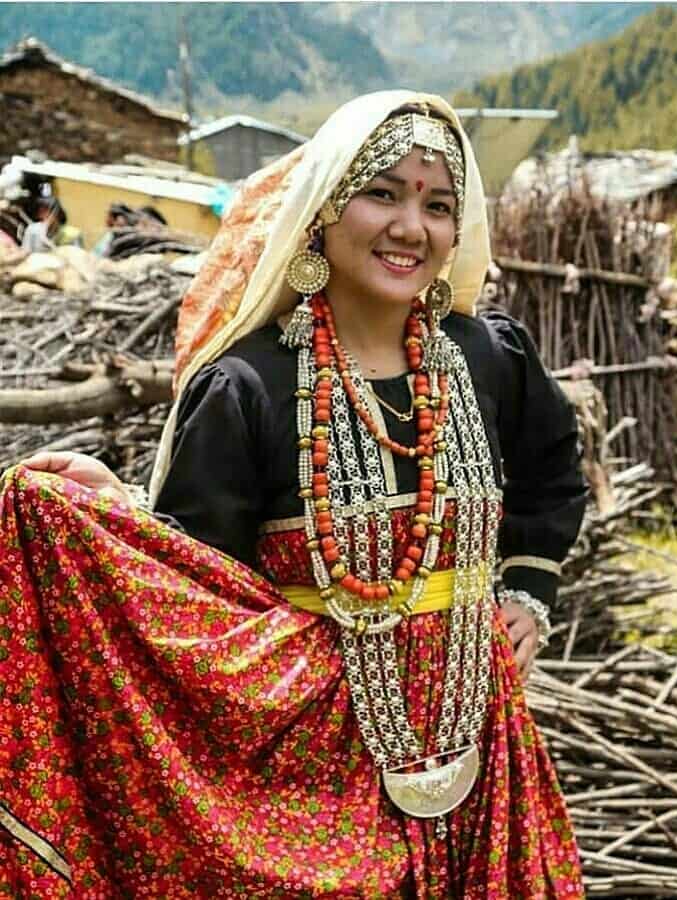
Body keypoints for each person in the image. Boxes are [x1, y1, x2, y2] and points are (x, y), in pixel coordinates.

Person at [0, 90, 587, 898]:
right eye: (382, 193)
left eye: (438, 204)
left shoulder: (488, 357)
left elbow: (554, 468)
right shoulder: (248, 387)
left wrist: (527, 587)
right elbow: (199, 585)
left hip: (479, 731)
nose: (411, 227)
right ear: (322, 210)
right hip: (313, 760)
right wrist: (124, 519)